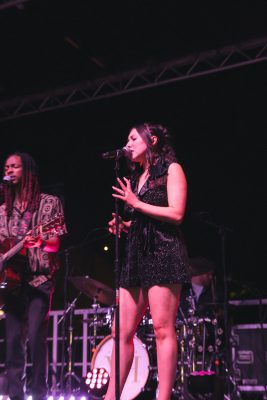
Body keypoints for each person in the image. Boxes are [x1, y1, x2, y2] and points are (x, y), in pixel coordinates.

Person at [105, 123, 190, 400]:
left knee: (162, 328)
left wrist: (136, 204)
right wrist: (126, 224)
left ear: (151, 140)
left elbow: (176, 213)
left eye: (132, 138)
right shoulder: (137, 176)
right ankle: (111, 396)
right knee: (121, 331)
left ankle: (163, 397)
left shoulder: (171, 169)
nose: (127, 143)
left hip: (164, 252)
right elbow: (144, 219)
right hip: (135, 255)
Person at [0, 152, 66, 400]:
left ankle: (39, 393)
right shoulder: (2, 211)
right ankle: (15, 396)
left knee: (36, 337)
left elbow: (54, 243)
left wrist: (39, 240)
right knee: (13, 340)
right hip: (12, 284)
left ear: (27, 170)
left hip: (40, 280)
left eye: (15, 166)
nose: (9, 170)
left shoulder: (49, 203)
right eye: (7, 167)